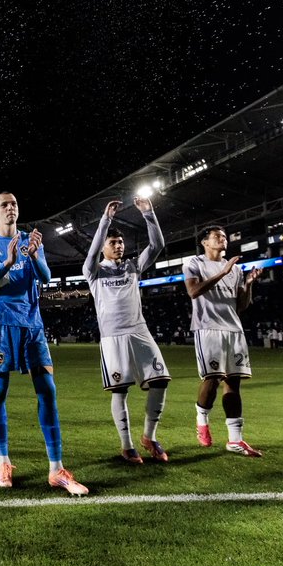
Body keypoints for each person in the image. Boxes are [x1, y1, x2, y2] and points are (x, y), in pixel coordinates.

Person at [0, 192, 88, 493]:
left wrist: (34, 255)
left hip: (32, 323)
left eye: (14, 204)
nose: (11, 208)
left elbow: (45, 277)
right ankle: (3, 461)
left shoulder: (30, 240)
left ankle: (56, 469)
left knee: (48, 390)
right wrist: (7, 262)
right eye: (4, 205)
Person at [84, 197, 170, 464]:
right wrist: (105, 221)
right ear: (104, 248)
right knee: (120, 390)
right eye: (113, 243)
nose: (118, 246)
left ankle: (149, 437)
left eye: (120, 242)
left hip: (139, 331)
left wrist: (149, 214)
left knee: (160, 381)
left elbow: (157, 245)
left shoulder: (133, 267)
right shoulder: (93, 270)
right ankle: (127, 445)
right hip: (113, 337)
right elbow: (92, 251)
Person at [182, 225, 263, 457]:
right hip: (207, 328)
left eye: (225, 237)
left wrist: (248, 284)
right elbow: (193, 292)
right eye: (217, 236)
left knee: (233, 382)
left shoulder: (235, 269)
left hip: (233, 330)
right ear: (204, 242)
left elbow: (240, 306)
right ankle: (202, 420)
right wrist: (222, 272)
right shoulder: (193, 263)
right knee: (213, 378)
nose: (223, 239)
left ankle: (235, 440)